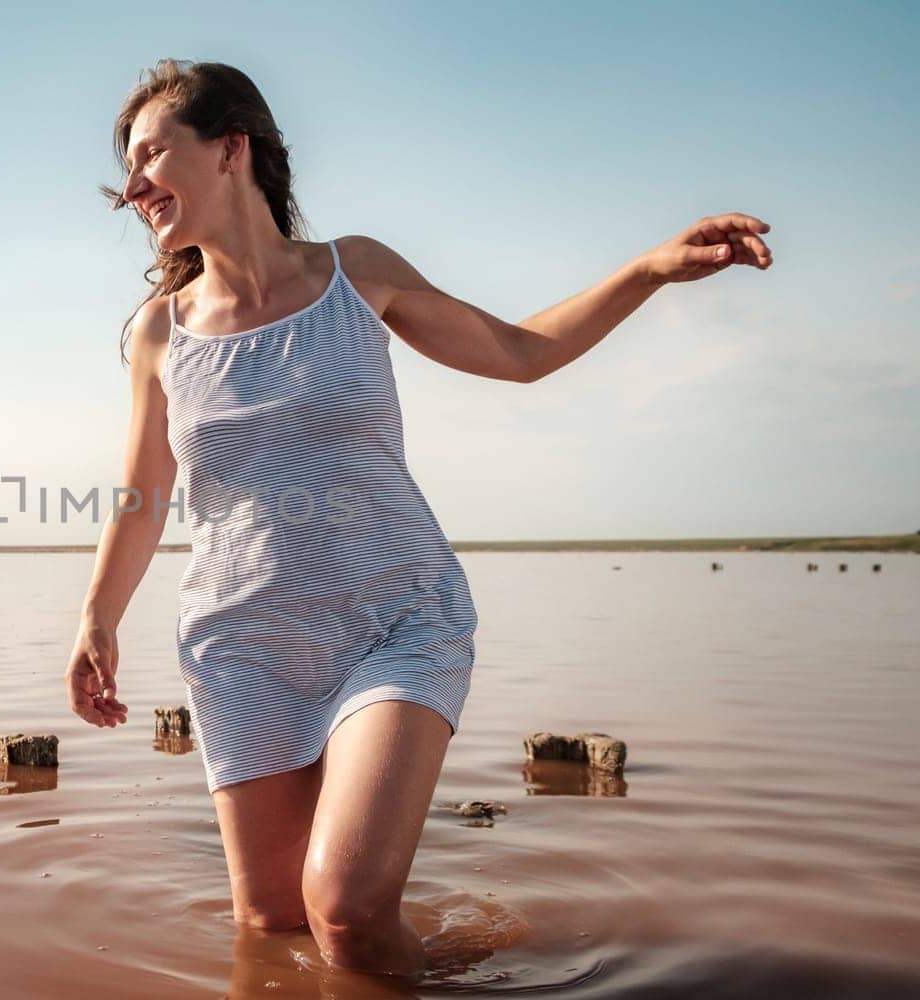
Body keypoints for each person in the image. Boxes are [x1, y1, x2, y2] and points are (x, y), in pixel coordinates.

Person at [64, 58, 771, 981]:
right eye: (127, 162)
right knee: (274, 928)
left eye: (153, 151)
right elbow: (143, 496)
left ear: (232, 148)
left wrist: (647, 271)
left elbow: (520, 353)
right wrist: (97, 618)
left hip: (393, 620)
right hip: (242, 645)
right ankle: (464, 965)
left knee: (348, 913)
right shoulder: (163, 331)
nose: (134, 182)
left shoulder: (356, 273)